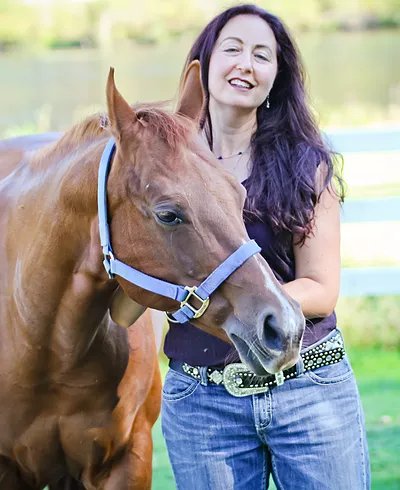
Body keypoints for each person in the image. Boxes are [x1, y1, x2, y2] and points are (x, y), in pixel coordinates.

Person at [111, 4, 370, 489]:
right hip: (203, 402)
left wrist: (239, 303)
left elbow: (321, 288)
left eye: (261, 55)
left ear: (277, 76)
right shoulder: (161, 173)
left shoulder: (305, 165)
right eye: (231, 49)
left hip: (307, 388)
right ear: (205, 64)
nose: (244, 65)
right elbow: (126, 307)